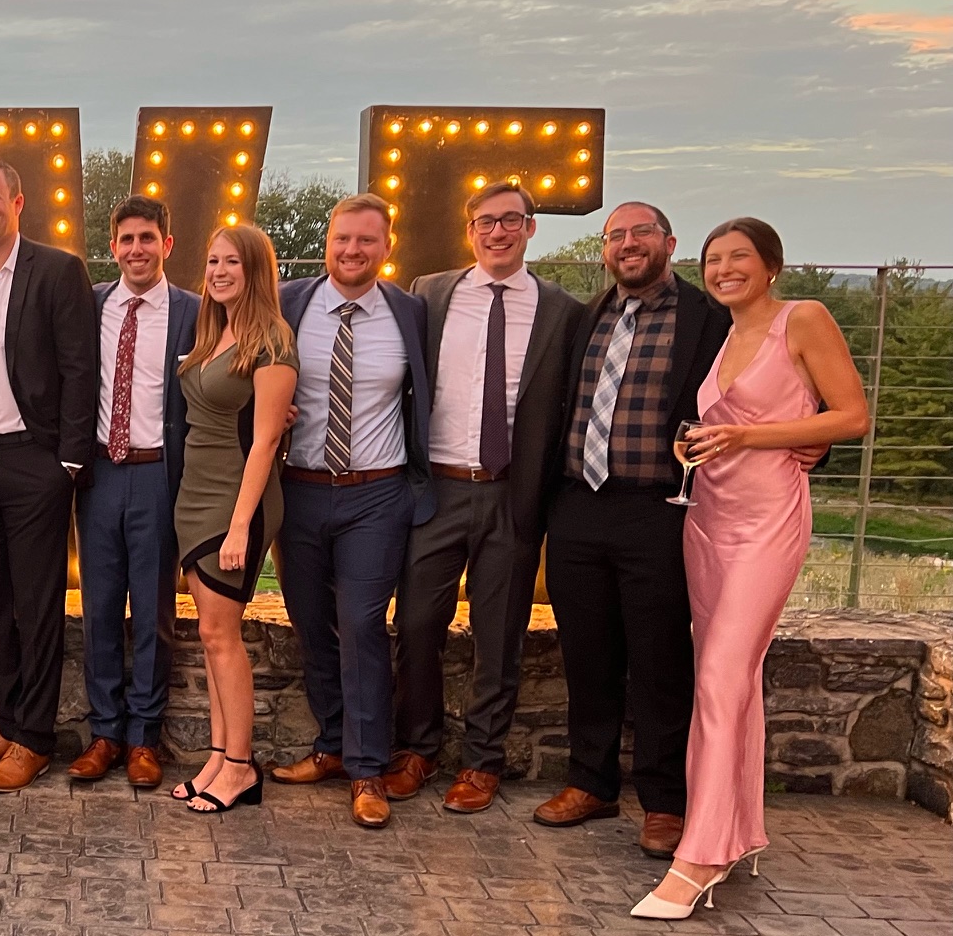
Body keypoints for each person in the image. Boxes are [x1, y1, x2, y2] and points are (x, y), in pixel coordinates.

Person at [633, 219, 865, 918]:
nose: (725, 268)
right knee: (727, 678)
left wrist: (750, 435)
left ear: (771, 266)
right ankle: (737, 831)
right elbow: (714, 426)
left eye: (739, 257)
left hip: (767, 520)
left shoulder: (805, 318)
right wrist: (697, 449)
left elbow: (851, 416)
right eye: (714, 259)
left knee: (722, 674)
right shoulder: (723, 334)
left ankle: (699, 853)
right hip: (707, 516)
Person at [536, 202, 731, 859]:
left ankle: (664, 801)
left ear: (669, 242)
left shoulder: (709, 320)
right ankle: (590, 782)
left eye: (640, 232)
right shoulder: (586, 316)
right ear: (605, 249)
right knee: (586, 653)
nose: (627, 244)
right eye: (615, 235)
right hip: (578, 504)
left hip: (659, 508)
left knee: (658, 659)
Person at [386, 185, 585, 813]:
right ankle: (416, 748)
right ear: (468, 229)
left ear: (529, 228)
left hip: (512, 495)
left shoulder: (562, 310)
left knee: (500, 635)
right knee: (416, 625)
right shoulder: (430, 292)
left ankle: (481, 762)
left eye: (509, 221)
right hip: (436, 490)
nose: (496, 232)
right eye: (484, 221)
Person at [268, 194, 433, 829]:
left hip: (377, 492)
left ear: (386, 247)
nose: (352, 251)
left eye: (367, 240)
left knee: (362, 623)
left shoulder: (411, 313)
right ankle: (333, 745)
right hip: (300, 489)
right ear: (328, 241)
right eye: (343, 239)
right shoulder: (289, 303)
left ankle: (368, 771)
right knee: (310, 622)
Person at [0, 161, 99, 793]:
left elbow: (79, 368)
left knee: (37, 605)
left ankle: (34, 739)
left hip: (34, 462)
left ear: (17, 201)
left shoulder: (57, 271)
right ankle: (8, 726)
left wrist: (67, 461)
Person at [70, 198, 199, 792]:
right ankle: (104, 733)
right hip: (98, 474)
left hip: (156, 475)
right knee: (98, 608)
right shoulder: (91, 305)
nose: (136, 249)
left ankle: (145, 737)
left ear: (166, 244)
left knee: (152, 610)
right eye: (126, 239)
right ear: (113, 246)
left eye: (147, 238)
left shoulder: (194, 313)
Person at [171, 226, 297, 814]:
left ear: (255, 270)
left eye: (232, 262)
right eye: (213, 260)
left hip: (236, 501)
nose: (219, 271)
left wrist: (243, 526)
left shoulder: (272, 339)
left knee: (223, 637)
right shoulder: (212, 331)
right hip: (195, 494)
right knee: (210, 633)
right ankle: (220, 756)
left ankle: (242, 767)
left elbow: (268, 436)